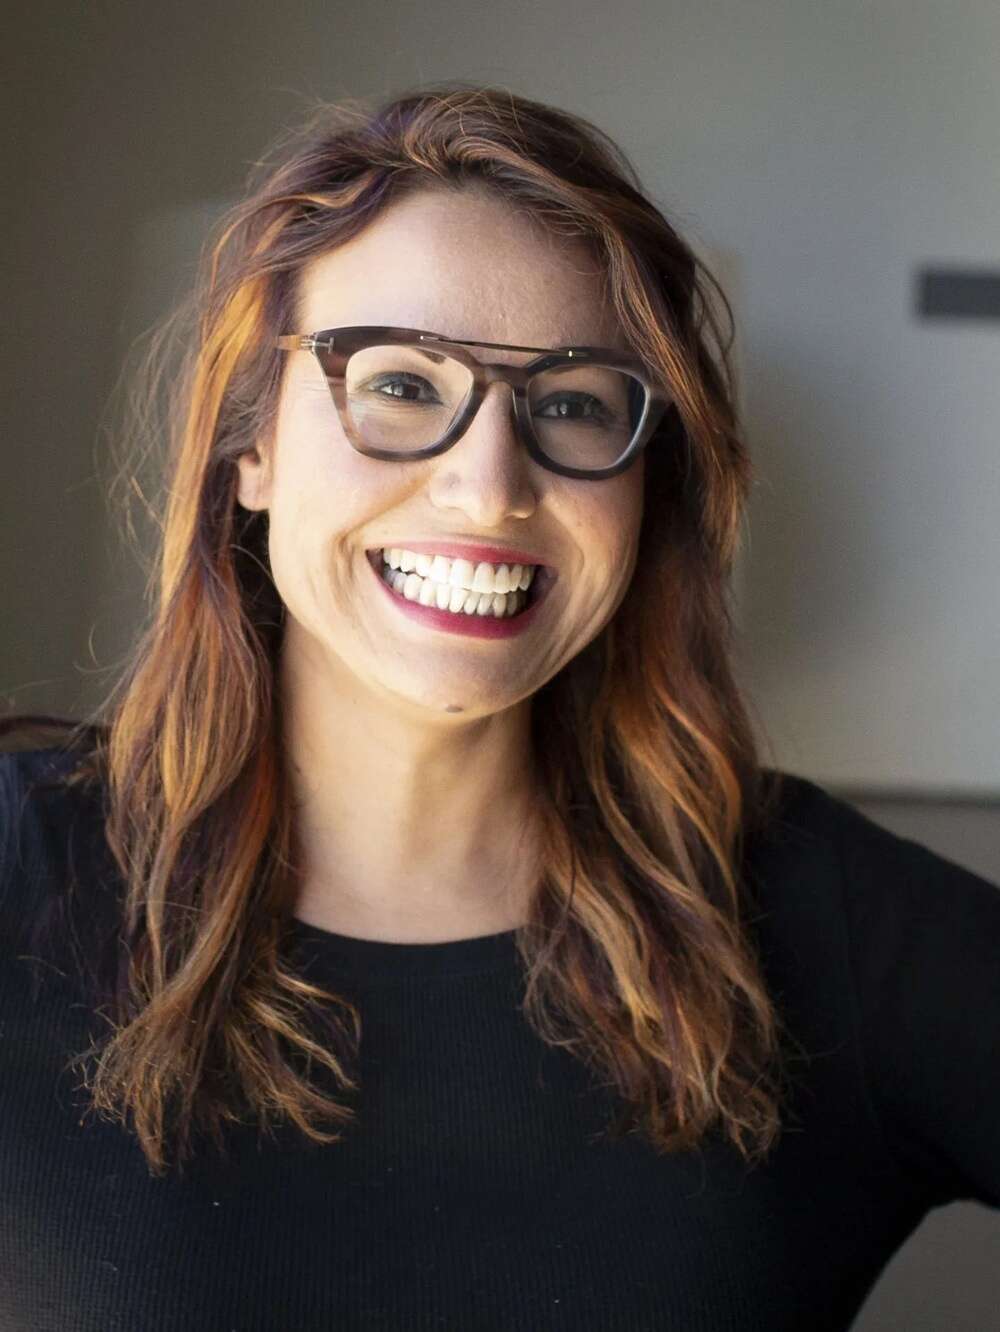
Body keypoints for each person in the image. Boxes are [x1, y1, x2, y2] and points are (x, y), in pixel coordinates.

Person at [1, 82, 997, 1332]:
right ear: (251, 449)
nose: (488, 488)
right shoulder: (16, 865)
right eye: (401, 384)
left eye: (572, 402)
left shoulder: (822, 924)